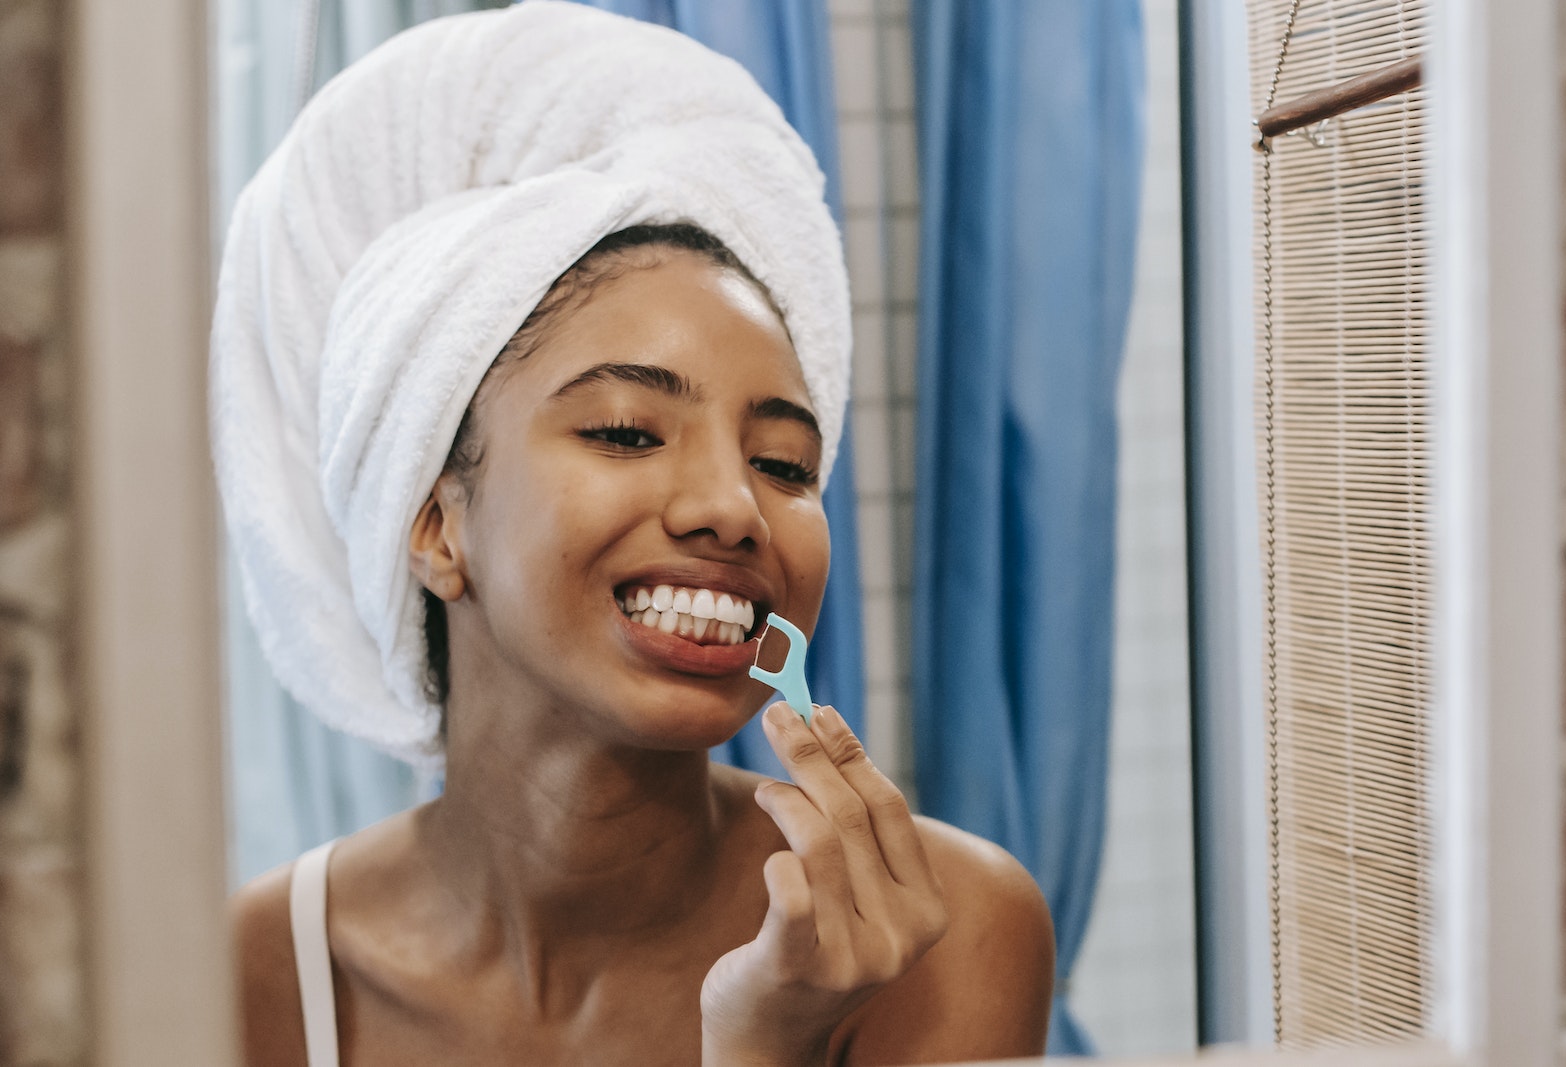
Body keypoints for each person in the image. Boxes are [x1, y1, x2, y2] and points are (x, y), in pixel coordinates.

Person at [216, 6, 1053, 1064]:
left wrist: (765, 1045)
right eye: (624, 430)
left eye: (785, 463)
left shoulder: (941, 933)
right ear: (432, 523)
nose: (736, 507)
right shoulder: (255, 974)